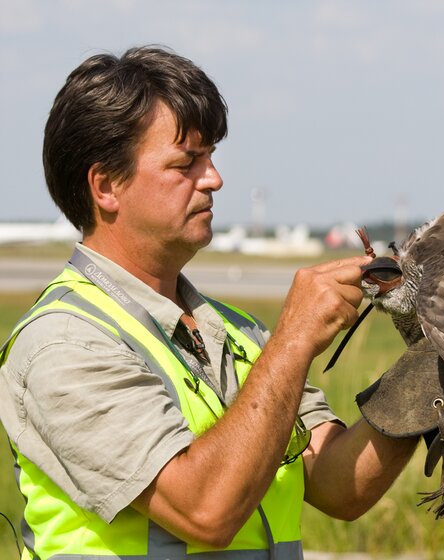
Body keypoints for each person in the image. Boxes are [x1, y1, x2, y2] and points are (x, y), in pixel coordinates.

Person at [0, 45, 419, 559]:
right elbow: (205, 511)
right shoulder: (63, 344)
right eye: (187, 162)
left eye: (212, 157)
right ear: (106, 186)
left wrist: (437, 364)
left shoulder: (237, 332)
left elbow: (339, 485)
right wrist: (293, 340)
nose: (214, 179)